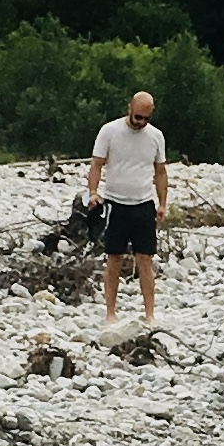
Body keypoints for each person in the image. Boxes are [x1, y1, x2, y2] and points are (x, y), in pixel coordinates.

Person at [87, 88, 168, 323]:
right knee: (114, 258)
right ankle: (110, 312)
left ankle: (149, 313)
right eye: (137, 117)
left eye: (146, 118)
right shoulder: (109, 131)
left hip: (144, 204)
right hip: (115, 203)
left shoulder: (156, 136)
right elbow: (96, 164)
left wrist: (162, 203)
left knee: (145, 258)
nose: (141, 122)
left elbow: (160, 171)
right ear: (129, 108)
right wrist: (93, 192)